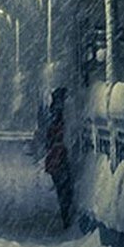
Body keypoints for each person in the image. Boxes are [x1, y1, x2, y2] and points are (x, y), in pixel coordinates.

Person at [43, 87, 73, 226]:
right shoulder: (59, 116)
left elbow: (49, 139)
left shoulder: (52, 115)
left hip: (56, 158)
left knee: (62, 189)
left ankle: (65, 214)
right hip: (59, 157)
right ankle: (66, 215)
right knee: (64, 188)